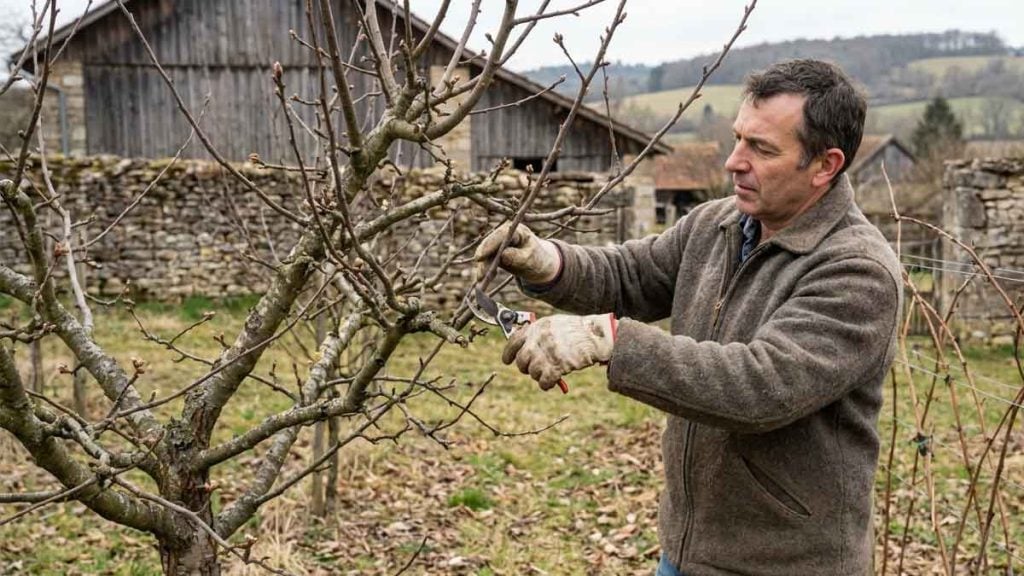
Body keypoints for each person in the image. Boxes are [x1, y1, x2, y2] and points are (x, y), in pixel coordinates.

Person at [473, 59, 902, 576]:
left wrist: (607, 339)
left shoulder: (858, 271)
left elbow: (760, 386)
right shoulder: (717, 224)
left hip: (785, 562)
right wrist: (550, 263)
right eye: (739, 138)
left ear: (824, 165)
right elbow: (632, 275)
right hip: (688, 549)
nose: (733, 162)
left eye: (762, 149)